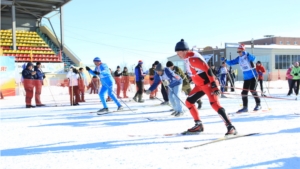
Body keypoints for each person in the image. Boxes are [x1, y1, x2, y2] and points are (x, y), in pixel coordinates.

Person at [175, 39, 236, 135]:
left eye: (179, 53)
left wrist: (214, 85)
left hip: (208, 84)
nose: (178, 55)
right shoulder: (187, 58)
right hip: (199, 86)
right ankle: (198, 125)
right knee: (189, 102)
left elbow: (208, 70)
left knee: (214, 104)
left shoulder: (192, 59)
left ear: (184, 50)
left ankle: (230, 127)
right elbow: (195, 72)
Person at [224, 44, 261, 113]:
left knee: (252, 90)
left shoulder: (247, 56)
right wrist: (226, 60)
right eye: (238, 51)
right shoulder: (239, 58)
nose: (239, 53)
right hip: (246, 77)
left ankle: (258, 104)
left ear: (243, 50)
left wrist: (247, 53)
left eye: (240, 51)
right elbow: (231, 62)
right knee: (244, 92)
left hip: (253, 75)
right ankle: (245, 107)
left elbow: (254, 59)